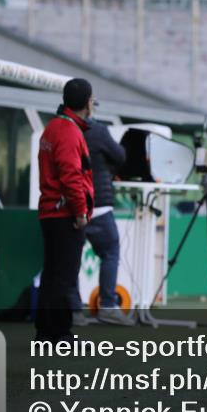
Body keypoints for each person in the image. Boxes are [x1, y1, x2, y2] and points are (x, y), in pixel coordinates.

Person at [36, 78, 95, 342]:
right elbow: (72, 176)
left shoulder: (53, 128)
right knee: (64, 277)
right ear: (87, 103)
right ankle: (59, 335)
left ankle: (46, 333)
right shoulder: (70, 132)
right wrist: (80, 212)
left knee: (52, 275)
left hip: (50, 212)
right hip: (65, 215)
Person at [69, 116, 133, 326]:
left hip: (70, 206)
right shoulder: (98, 131)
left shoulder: (63, 129)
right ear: (88, 104)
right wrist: (108, 167)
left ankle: (74, 312)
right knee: (110, 252)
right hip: (97, 205)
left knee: (71, 260)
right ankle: (107, 306)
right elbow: (121, 156)